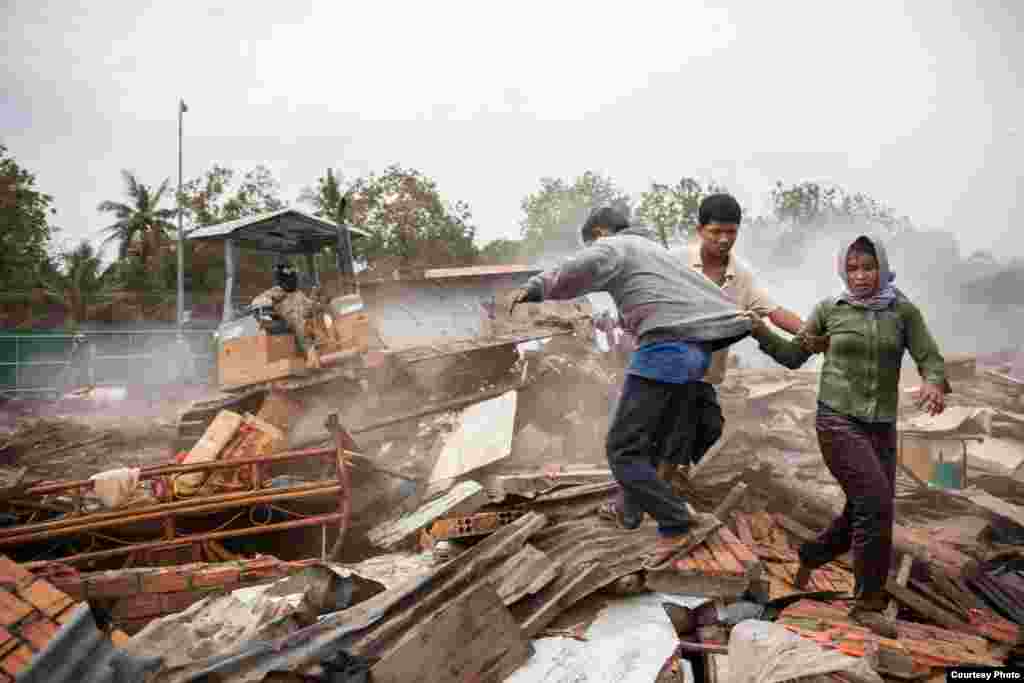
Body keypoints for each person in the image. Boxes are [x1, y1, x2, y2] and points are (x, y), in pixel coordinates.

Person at [510, 206, 753, 565]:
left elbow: (579, 267)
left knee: (622, 451)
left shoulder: (616, 245)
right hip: (695, 352)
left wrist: (535, 288)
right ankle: (629, 509)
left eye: (593, 243)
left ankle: (676, 520)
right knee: (650, 441)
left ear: (601, 233)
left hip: (665, 352)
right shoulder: (658, 253)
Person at [747, 234, 948, 637]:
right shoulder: (829, 311)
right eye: (852, 268)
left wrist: (934, 382)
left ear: (882, 267)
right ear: (843, 270)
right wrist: (758, 330)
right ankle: (868, 604)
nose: (860, 276)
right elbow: (792, 356)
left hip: (881, 427)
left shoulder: (902, 312)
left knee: (864, 508)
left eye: (868, 267)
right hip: (836, 420)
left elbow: (929, 357)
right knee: (875, 503)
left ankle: (811, 553)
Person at [653, 194, 804, 488]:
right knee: (679, 427)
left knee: (710, 427)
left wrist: (809, 333)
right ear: (700, 231)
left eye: (731, 232)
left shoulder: (741, 275)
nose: (724, 239)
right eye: (716, 232)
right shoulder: (675, 261)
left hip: (706, 373)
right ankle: (658, 491)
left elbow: (774, 312)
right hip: (668, 365)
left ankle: (669, 474)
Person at [251, 263, 318, 358]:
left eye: (294, 276)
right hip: (288, 329)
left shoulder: (298, 293)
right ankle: (309, 354)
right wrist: (271, 304)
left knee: (307, 326)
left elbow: (310, 307)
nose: (294, 279)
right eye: (292, 276)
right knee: (300, 325)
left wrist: (315, 298)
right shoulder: (275, 292)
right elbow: (257, 303)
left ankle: (313, 353)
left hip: (306, 330)